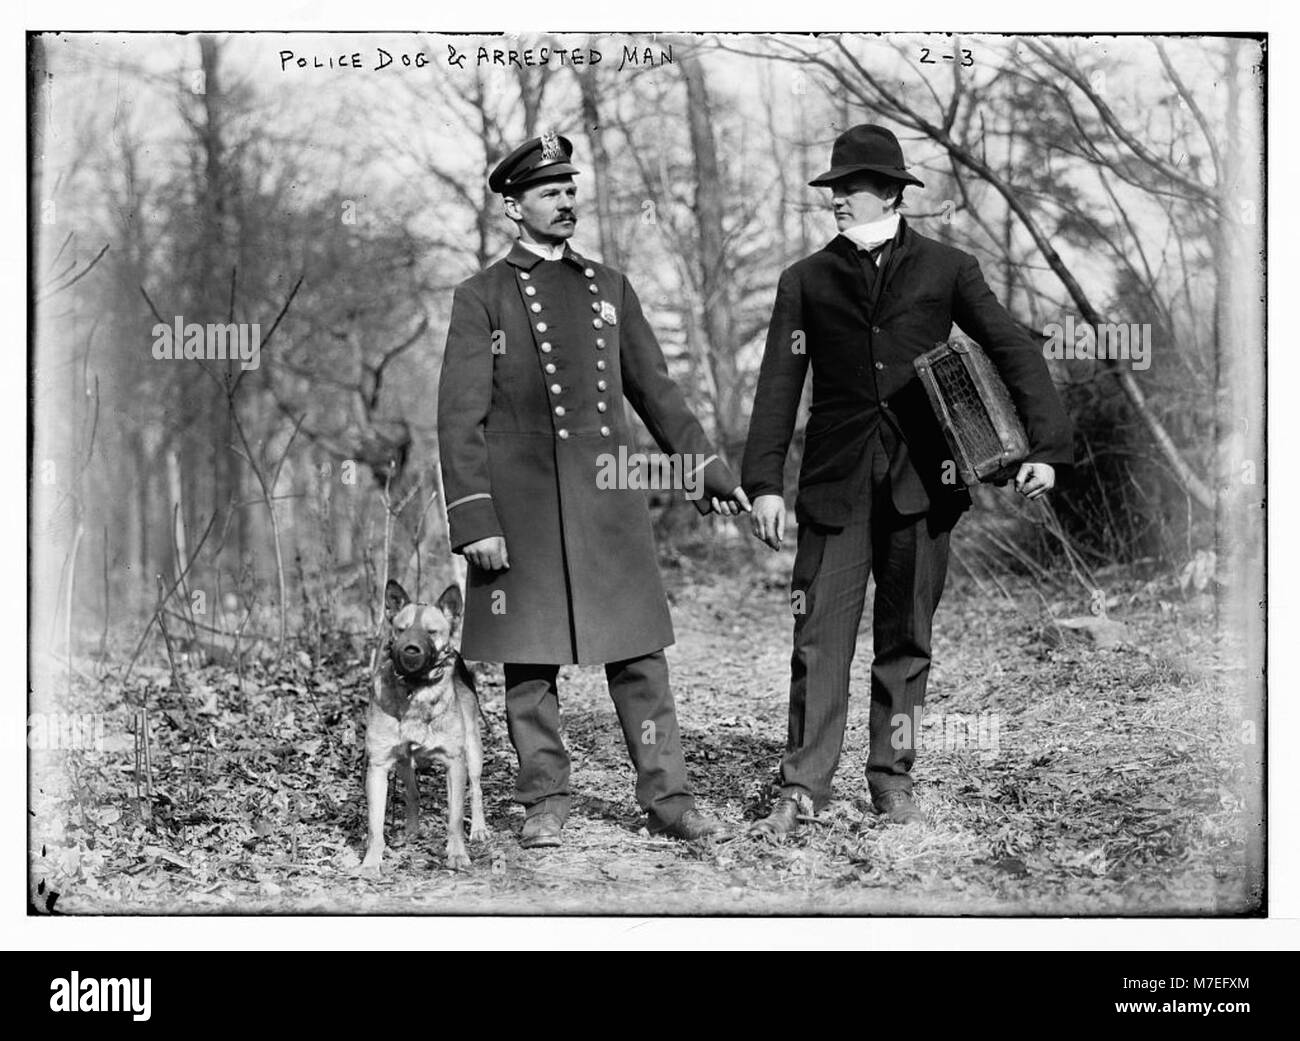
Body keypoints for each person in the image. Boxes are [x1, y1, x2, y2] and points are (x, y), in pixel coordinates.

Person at [741, 124, 1072, 836]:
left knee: (907, 638)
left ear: (889, 193)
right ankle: (802, 786)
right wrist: (764, 480)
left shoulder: (949, 267)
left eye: (848, 188)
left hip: (929, 479)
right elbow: (778, 382)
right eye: (831, 188)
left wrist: (1046, 445)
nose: (834, 199)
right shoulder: (805, 279)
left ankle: (892, 778)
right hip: (833, 484)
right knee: (817, 639)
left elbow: (1011, 344)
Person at [438, 132, 750, 848]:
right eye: (549, 192)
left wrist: (706, 469)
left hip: (608, 503)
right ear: (514, 207)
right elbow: (458, 418)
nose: (567, 201)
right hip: (520, 509)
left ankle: (669, 797)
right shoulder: (480, 297)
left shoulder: (610, 288)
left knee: (640, 656)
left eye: (571, 189)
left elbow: (658, 392)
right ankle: (544, 797)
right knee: (529, 659)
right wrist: (474, 517)